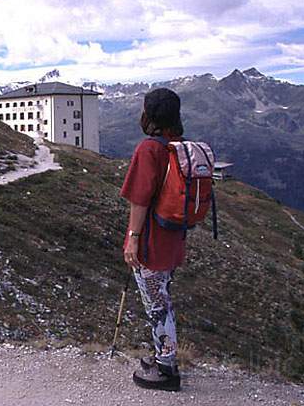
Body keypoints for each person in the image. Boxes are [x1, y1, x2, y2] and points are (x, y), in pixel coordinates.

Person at [119, 88, 185, 392]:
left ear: (150, 115)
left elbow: (140, 200)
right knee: (162, 298)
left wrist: (132, 238)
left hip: (152, 245)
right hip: (173, 241)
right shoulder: (178, 146)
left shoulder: (149, 149)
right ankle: (162, 357)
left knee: (158, 306)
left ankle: (167, 371)